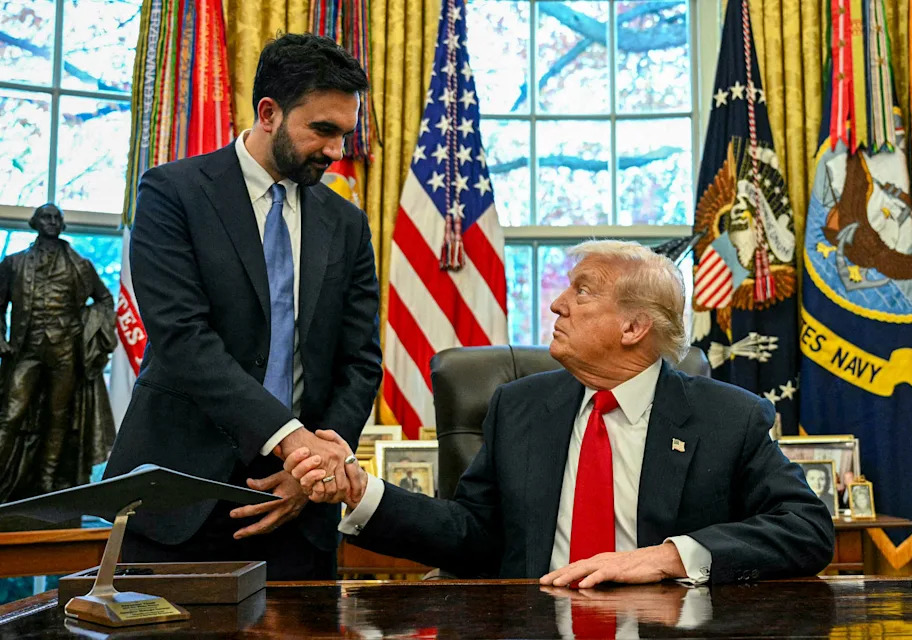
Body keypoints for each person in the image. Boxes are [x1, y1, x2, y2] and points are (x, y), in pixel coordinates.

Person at [287, 240, 835, 585]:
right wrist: (363, 491)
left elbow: (807, 529)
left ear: (633, 327)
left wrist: (667, 557)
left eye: (582, 291)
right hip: (535, 624)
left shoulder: (728, 417)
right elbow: (472, 534)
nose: (556, 303)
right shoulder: (520, 407)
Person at [104, 34, 382, 580]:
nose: (335, 151)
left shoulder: (346, 222)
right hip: (179, 497)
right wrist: (294, 441)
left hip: (300, 506)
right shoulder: (173, 193)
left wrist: (315, 464)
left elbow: (361, 360)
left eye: (344, 135)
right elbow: (183, 339)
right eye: (322, 130)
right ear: (269, 113)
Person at [0, 203, 117, 501]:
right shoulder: (14, 263)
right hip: (26, 350)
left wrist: (87, 328)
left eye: (57, 218)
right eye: (46, 217)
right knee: (10, 414)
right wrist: (0, 338)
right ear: (35, 222)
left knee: (59, 416)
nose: (52, 222)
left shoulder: (80, 266)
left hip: (65, 350)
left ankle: (47, 484)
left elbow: (105, 300)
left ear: (62, 225)